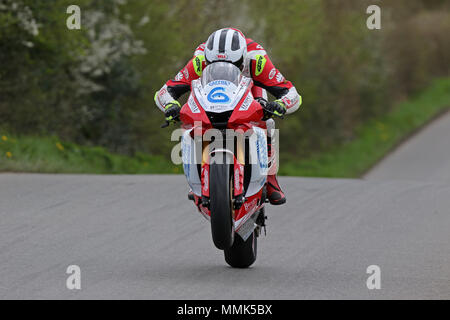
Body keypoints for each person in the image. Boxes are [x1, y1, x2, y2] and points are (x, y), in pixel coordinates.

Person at [154, 28, 302, 205]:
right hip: (214, 94)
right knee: (191, 123)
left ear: (242, 58)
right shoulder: (199, 60)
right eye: (214, 64)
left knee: (267, 122)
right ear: (208, 59)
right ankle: (200, 175)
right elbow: (165, 91)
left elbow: (291, 92)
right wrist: (170, 106)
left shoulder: (257, 59)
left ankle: (270, 180)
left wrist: (281, 104)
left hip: (250, 89)